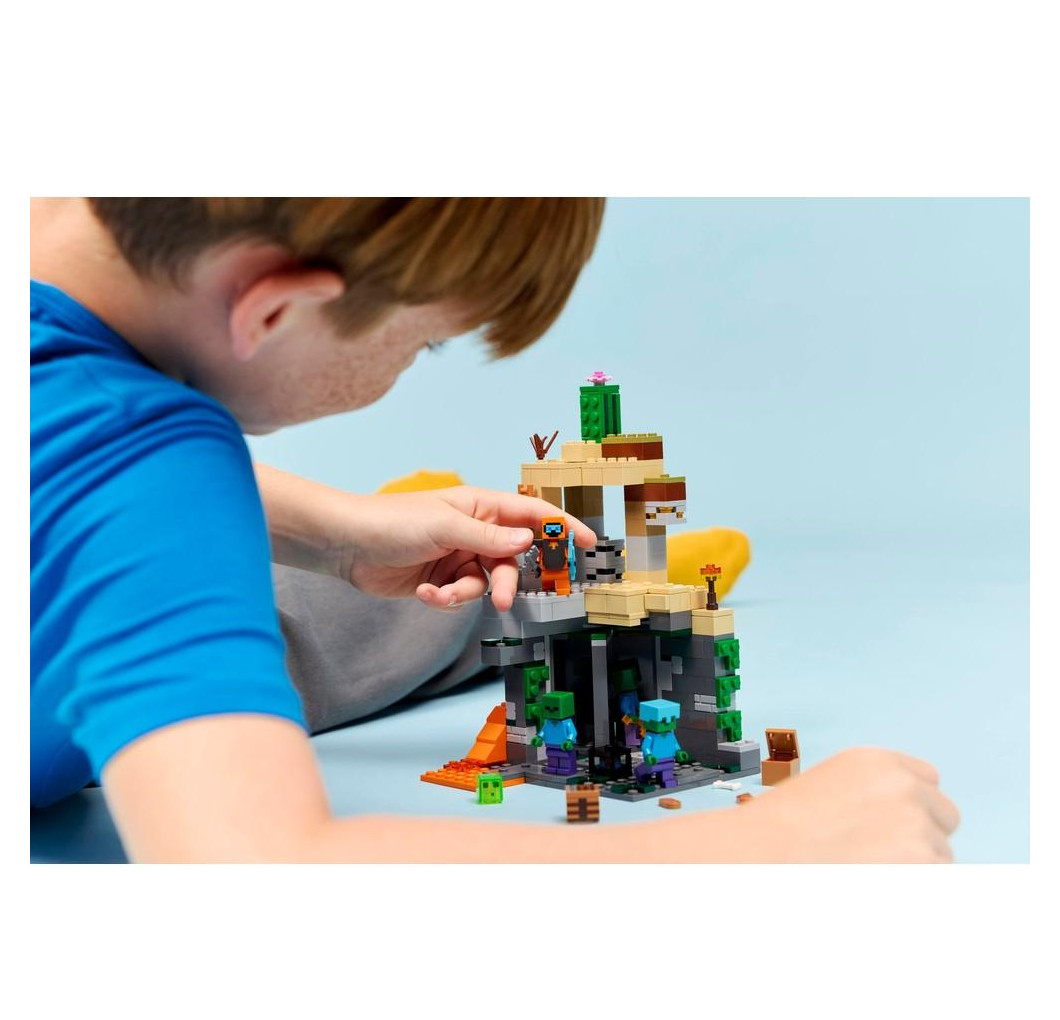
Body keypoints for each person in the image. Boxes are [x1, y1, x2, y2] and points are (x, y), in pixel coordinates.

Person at [30, 197, 959, 862]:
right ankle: (596, 578)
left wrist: (335, 529)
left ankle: (571, 568)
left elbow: (67, 458)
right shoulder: (154, 469)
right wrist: (767, 846)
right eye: (424, 341)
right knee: (394, 621)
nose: (414, 362)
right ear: (276, 309)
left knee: (450, 584)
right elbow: (253, 869)